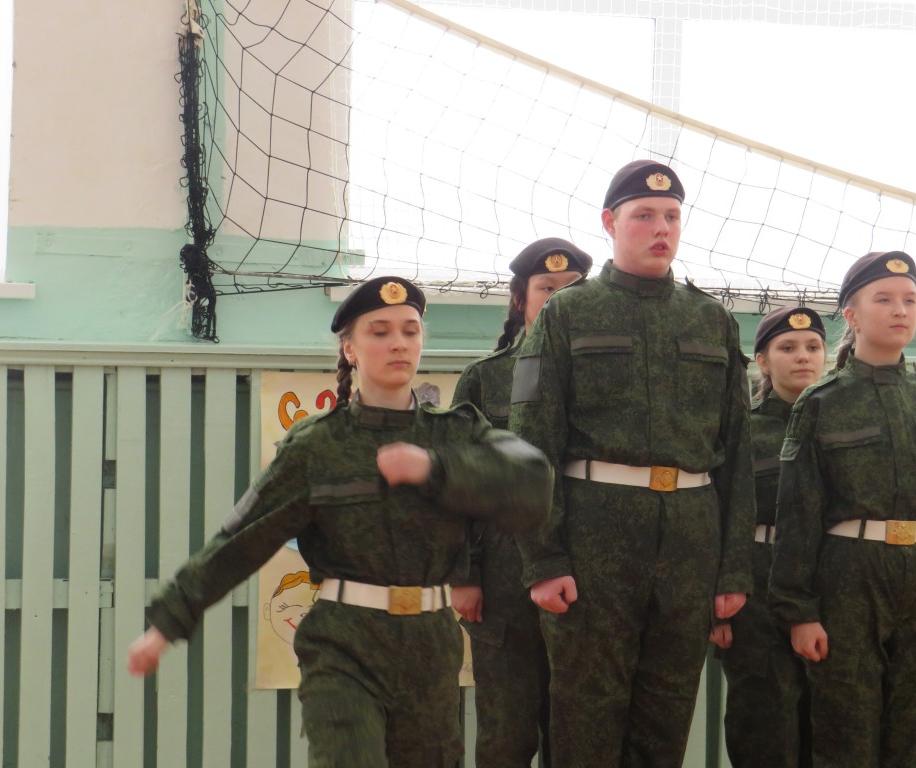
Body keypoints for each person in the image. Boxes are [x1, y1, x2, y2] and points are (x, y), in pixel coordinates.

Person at [127, 276, 554, 768]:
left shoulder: (456, 432)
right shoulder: (316, 446)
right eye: (380, 331)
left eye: (410, 330)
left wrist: (436, 470)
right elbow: (240, 540)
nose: (399, 343)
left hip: (430, 645)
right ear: (350, 349)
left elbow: (533, 483)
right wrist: (166, 624)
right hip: (343, 644)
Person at [509, 159, 756, 766]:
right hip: (594, 534)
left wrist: (732, 568)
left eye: (671, 216)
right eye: (644, 215)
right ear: (609, 223)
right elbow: (532, 444)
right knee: (585, 718)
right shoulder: (567, 314)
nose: (660, 228)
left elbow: (737, 454)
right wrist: (543, 558)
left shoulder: (712, 320)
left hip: (691, 539)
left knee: (666, 719)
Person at [768, 252, 916, 768]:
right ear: (852, 315)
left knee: (914, 731)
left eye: (909, 300)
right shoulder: (822, 402)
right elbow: (798, 512)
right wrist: (799, 610)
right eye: (884, 299)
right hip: (849, 576)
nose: (900, 310)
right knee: (845, 733)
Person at [451, 237, 593, 767]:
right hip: (502, 577)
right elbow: (462, 487)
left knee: (575, 734)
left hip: (585, 570)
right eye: (546, 289)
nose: (558, 299)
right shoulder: (484, 378)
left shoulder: (604, 381)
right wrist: (465, 574)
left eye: (571, 289)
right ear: (520, 299)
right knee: (506, 735)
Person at [711, 306, 827, 768]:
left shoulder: (838, 424)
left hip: (830, 592)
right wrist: (715, 608)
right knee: (763, 724)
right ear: (762, 360)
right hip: (755, 595)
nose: (803, 357)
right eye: (788, 347)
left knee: (828, 729)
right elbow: (717, 519)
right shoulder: (742, 429)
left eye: (813, 347)